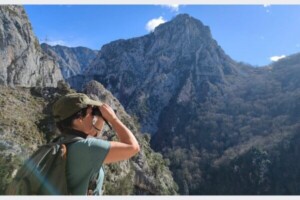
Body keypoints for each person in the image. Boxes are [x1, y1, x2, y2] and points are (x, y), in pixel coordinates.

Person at [52, 93, 140, 195]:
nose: (93, 117)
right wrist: (113, 119)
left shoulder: (60, 142)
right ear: (79, 119)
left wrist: (100, 119)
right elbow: (133, 147)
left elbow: (90, 137)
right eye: (90, 113)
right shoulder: (87, 149)